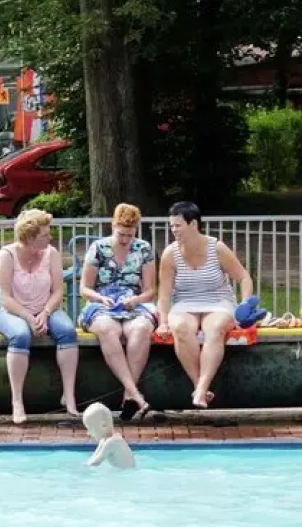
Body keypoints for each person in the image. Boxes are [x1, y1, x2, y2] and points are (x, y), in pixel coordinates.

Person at [156, 201, 255, 409]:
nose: (174, 230)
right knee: (180, 328)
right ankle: (199, 387)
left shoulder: (216, 247)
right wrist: (163, 322)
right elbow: (164, 294)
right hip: (184, 302)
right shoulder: (170, 254)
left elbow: (244, 278)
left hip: (218, 301)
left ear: (193, 225)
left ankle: (201, 389)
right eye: (171, 226)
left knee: (215, 329)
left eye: (178, 225)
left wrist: (245, 305)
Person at [0, 208, 79, 425]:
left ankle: (69, 395)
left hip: (45, 307)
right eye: (45, 235)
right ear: (30, 237)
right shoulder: (6, 256)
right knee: (21, 334)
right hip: (10, 311)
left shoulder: (51, 253)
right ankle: (17, 401)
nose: (50, 238)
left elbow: (58, 291)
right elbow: (2, 296)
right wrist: (30, 318)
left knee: (67, 330)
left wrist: (45, 312)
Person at [79, 204, 158, 419]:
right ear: (113, 226)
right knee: (107, 328)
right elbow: (85, 288)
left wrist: (136, 299)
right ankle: (134, 394)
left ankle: (128, 396)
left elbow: (150, 290)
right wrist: (100, 298)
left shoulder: (143, 248)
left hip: (133, 300)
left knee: (141, 328)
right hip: (102, 301)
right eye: (121, 234)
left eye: (129, 235)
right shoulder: (98, 248)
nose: (125, 240)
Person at [83, 402, 135, 469]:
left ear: (103, 425)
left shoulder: (112, 442)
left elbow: (96, 462)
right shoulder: (104, 441)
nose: (88, 433)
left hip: (127, 475)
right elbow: (93, 457)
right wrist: (85, 464)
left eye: (90, 429)